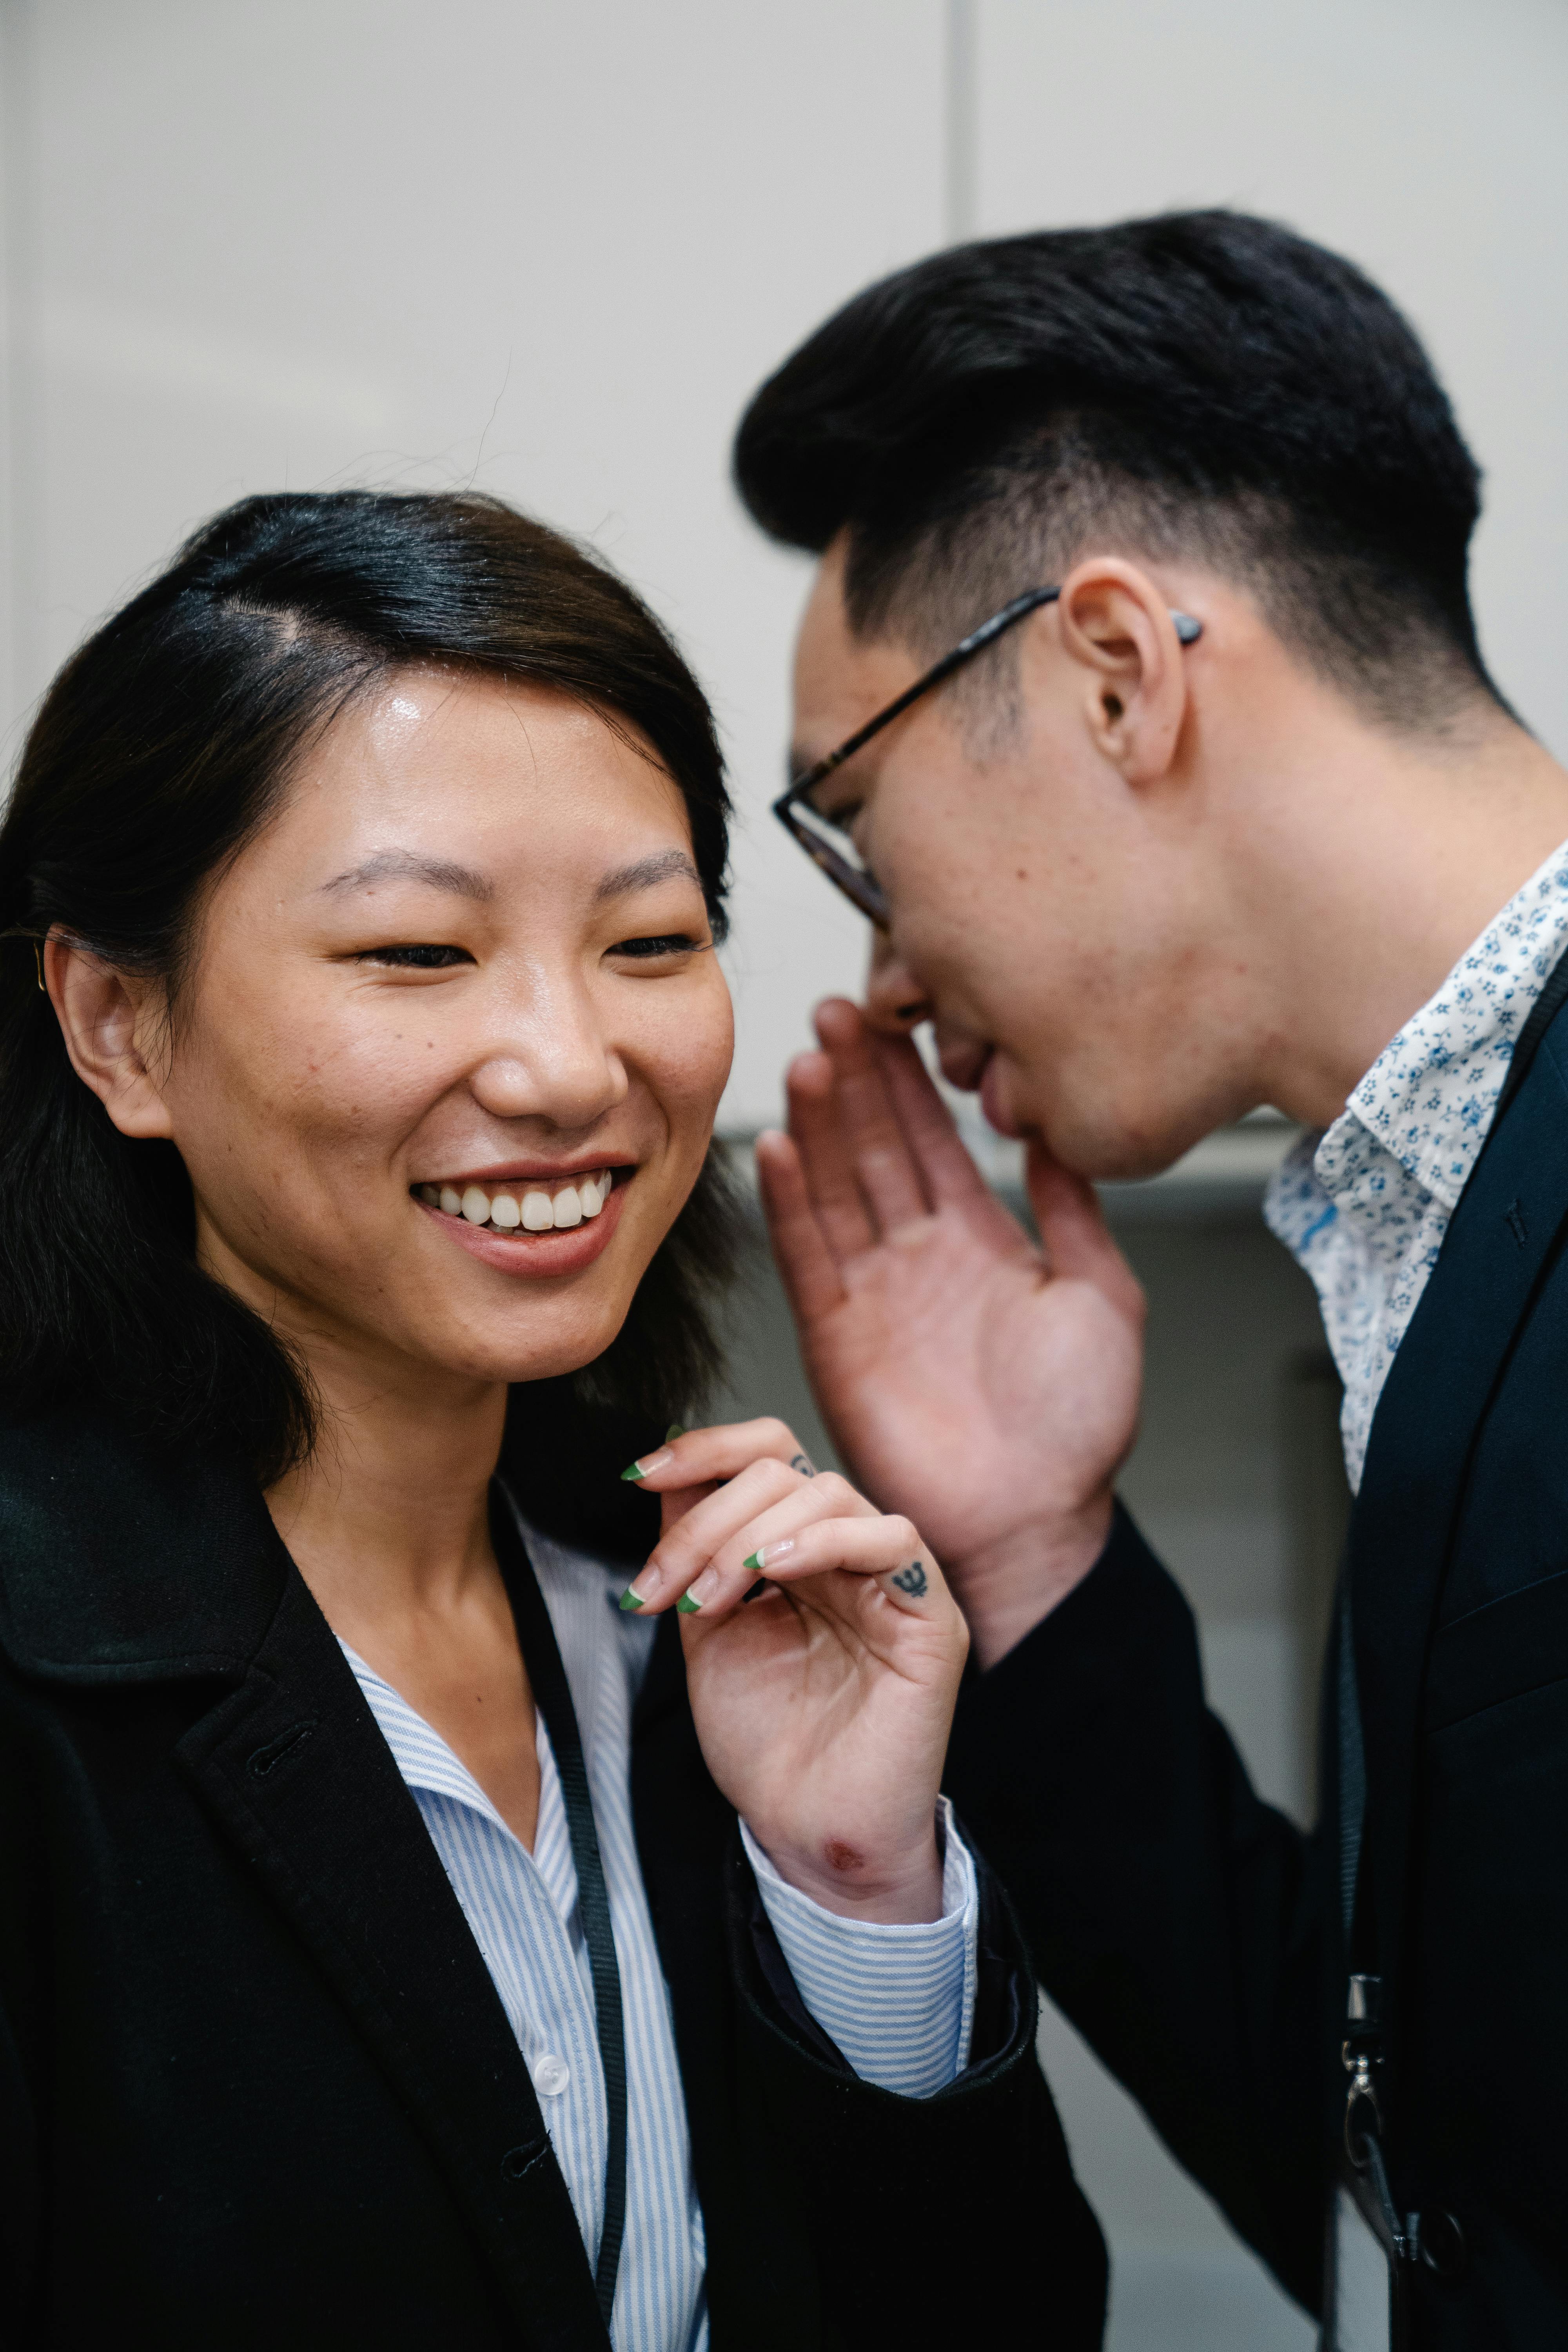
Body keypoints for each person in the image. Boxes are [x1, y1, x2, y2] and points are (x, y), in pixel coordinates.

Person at [0, 490, 1108, 2349]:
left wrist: (853, 1885)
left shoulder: (692, 1610)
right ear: (118, 1025)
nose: (570, 1065)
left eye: (650, 943)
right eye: (417, 956)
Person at [723, 210, 1568, 2347]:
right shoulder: (1426, 1200)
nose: (883, 974)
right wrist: (1033, 1560)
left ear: (1117, 671)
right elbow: (1454, 2167)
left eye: (851, 826)